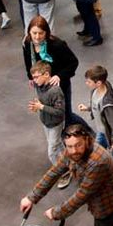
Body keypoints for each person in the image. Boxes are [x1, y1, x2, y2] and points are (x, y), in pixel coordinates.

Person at [78, 65, 113, 183]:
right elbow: (96, 107)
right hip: (102, 130)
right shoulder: (96, 90)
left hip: (107, 134)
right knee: (98, 151)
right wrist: (88, 108)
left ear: (98, 83)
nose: (86, 83)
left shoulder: (108, 104)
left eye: (88, 81)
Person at [22, 15, 80, 124]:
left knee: (66, 114)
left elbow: (73, 62)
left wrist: (59, 76)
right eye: (34, 33)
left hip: (60, 85)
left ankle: (86, 133)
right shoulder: (27, 43)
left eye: (41, 33)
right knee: (49, 110)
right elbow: (28, 61)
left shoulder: (57, 45)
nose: (37, 37)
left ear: (46, 33)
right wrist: (30, 77)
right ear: (29, 32)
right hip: (42, 86)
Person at [27, 60, 71, 189]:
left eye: (36, 77)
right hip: (46, 122)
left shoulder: (56, 91)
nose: (34, 80)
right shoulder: (39, 86)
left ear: (46, 74)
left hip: (55, 124)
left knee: (52, 151)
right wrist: (38, 106)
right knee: (58, 146)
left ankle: (64, 172)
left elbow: (60, 112)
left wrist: (41, 107)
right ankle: (69, 161)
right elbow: (42, 102)